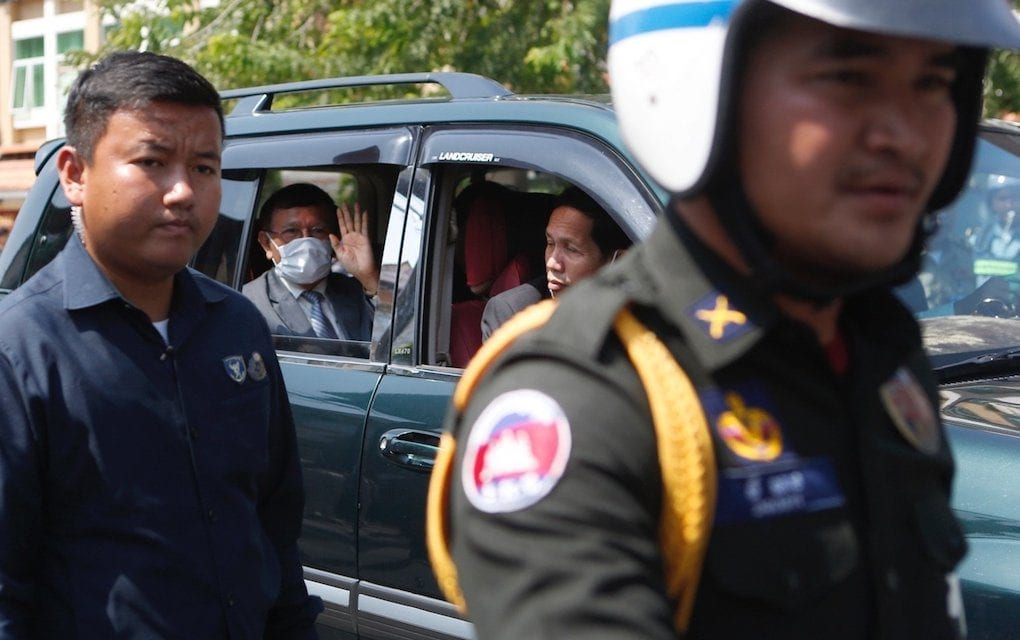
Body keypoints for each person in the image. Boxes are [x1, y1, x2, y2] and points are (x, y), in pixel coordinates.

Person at [428, 1, 1020, 639]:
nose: (905, 134)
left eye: (933, 83)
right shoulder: (586, 393)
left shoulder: (881, 347)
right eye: (848, 79)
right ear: (696, 92)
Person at [0, 51, 321, 637]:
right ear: (75, 173)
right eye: (151, 161)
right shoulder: (20, 350)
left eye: (204, 168)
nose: (182, 192)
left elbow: (274, 527)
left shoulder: (238, 326)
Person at [480, 186, 629, 340]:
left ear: (617, 261)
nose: (552, 263)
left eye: (571, 249)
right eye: (550, 243)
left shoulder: (637, 314)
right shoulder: (513, 315)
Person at [243, 182, 378, 341]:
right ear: (266, 243)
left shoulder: (357, 292)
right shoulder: (249, 303)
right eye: (292, 231)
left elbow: (403, 345)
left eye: (318, 230)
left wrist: (370, 279)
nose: (306, 241)